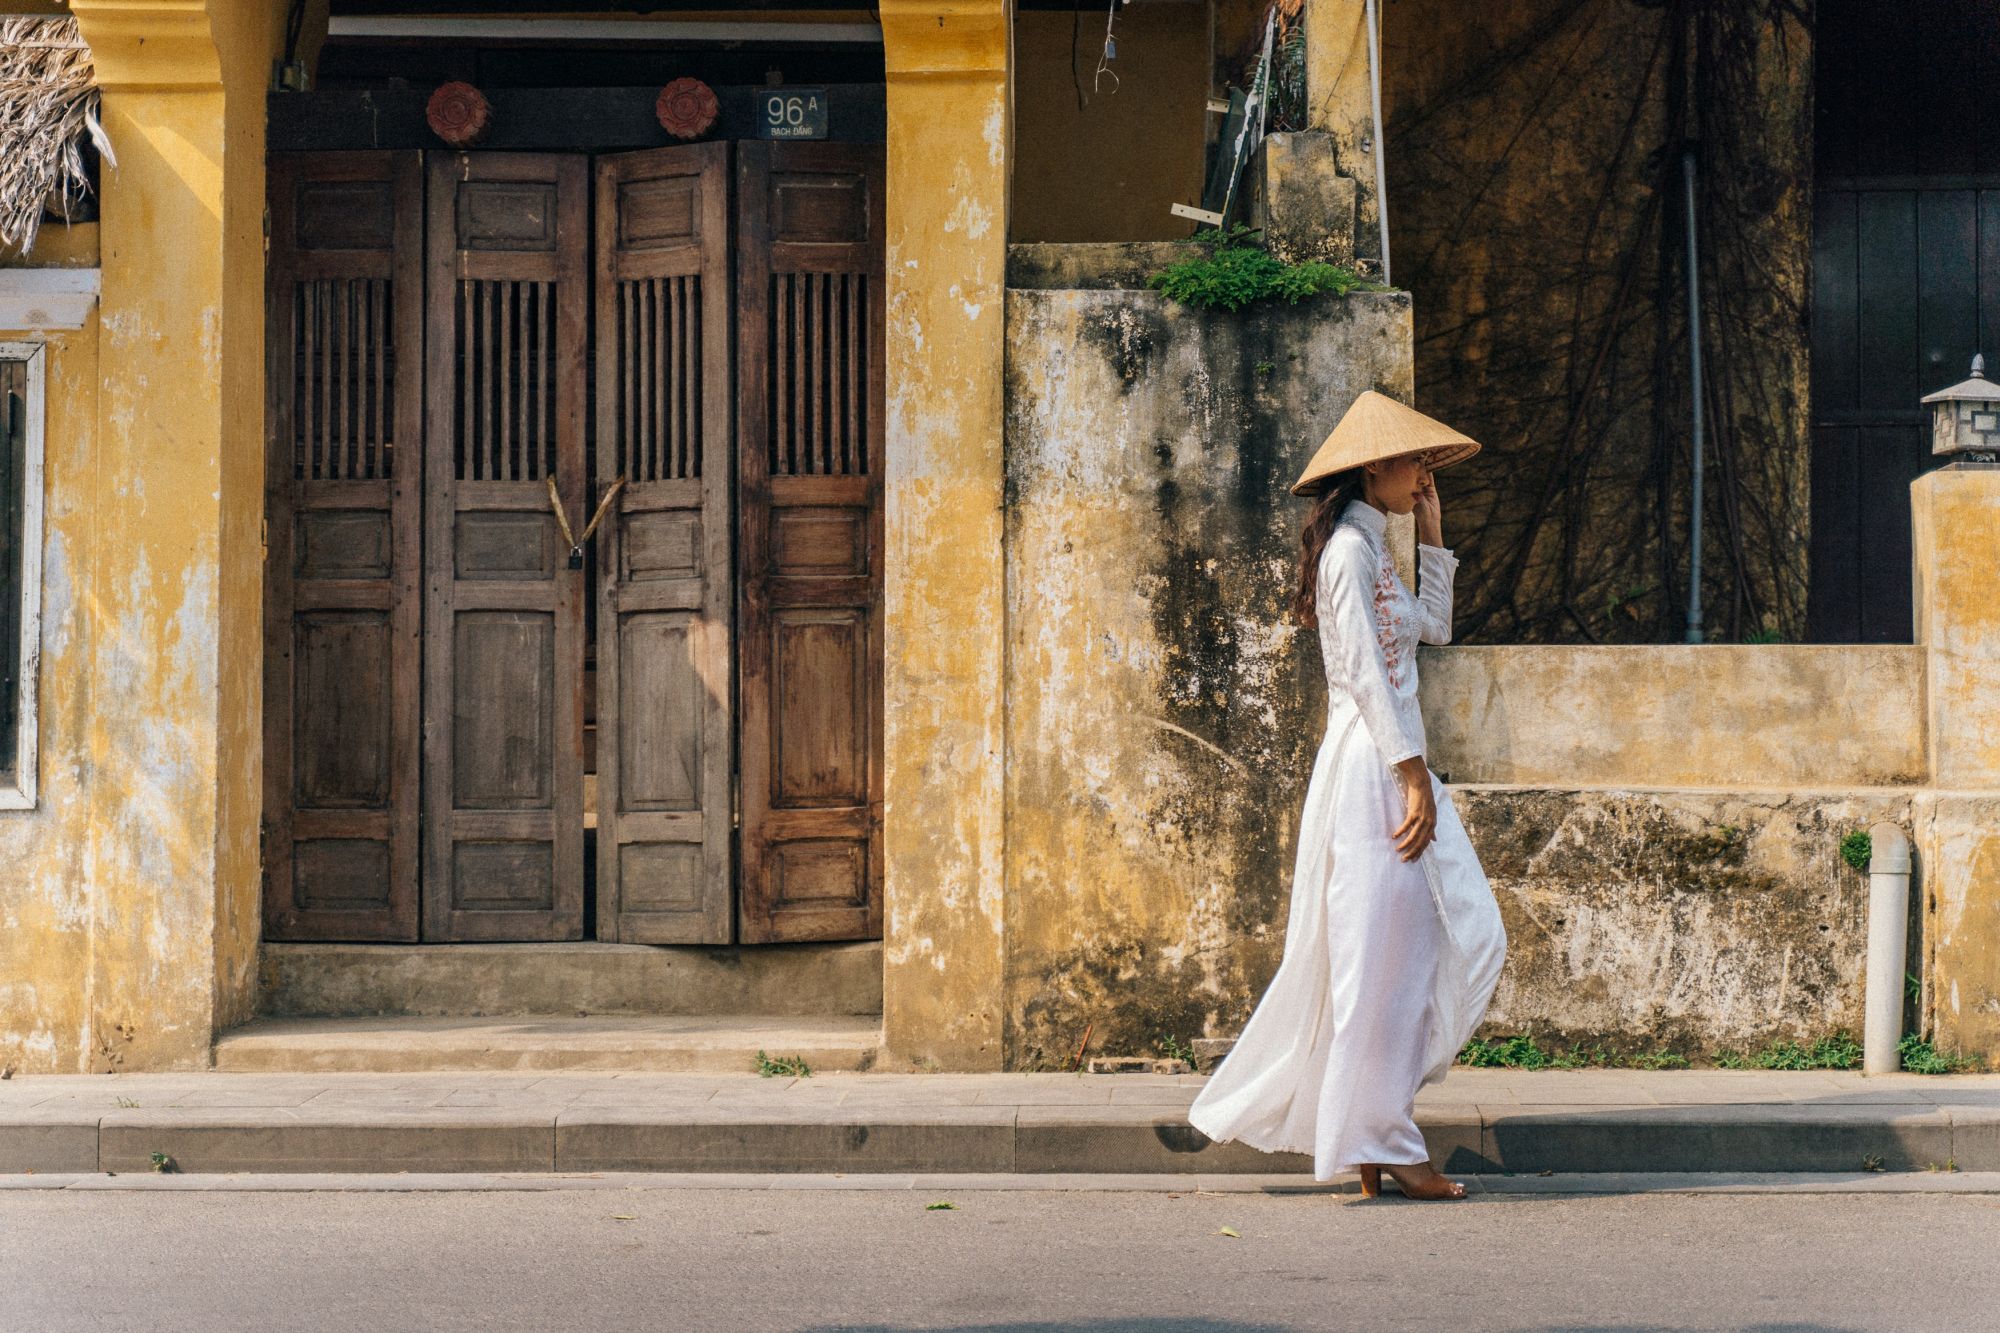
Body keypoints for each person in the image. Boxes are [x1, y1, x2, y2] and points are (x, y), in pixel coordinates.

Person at [1187, 390, 1508, 1201]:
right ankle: (1387, 1143)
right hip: (1373, 768)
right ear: (1375, 464)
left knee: (1423, 947)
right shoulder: (1346, 556)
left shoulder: (1375, 547)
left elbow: (1431, 629)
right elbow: (1364, 672)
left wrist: (1433, 533)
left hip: (1393, 763)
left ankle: (1375, 1134)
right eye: (1416, 461)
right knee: (1380, 962)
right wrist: (1408, 773)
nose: (1424, 472)